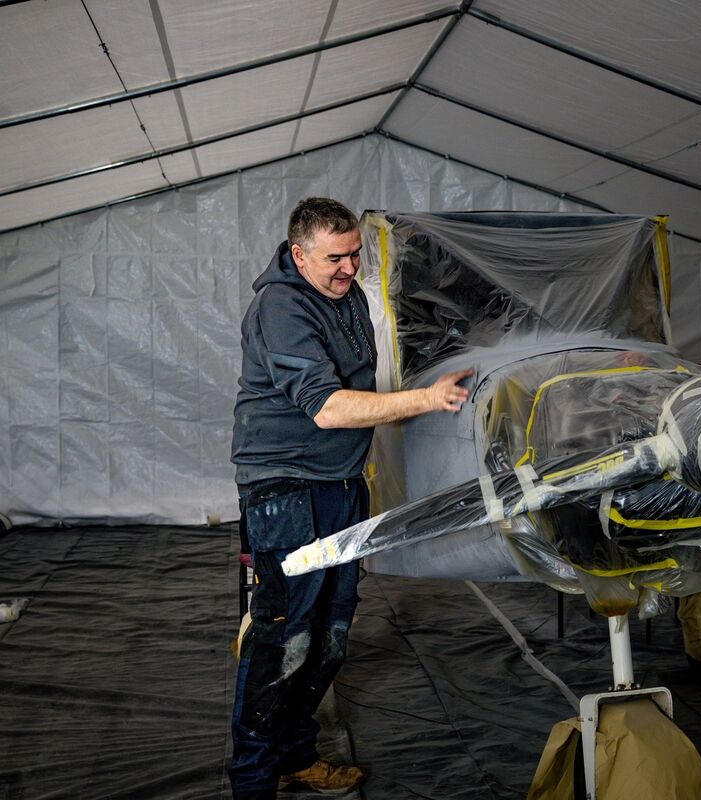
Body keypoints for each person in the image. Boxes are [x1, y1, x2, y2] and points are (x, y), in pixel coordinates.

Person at [229, 197, 471, 798]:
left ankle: (294, 755)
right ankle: (252, 782)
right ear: (298, 254)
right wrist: (425, 400)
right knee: (284, 635)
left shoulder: (351, 296)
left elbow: (363, 388)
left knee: (331, 633)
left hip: (340, 484)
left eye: (356, 254)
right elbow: (330, 407)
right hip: (285, 490)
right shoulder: (280, 308)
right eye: (336, 257)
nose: (349, 268)